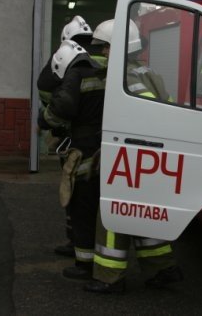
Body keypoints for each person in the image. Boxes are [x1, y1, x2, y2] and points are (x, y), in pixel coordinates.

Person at [83, 19, 183, 294]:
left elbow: (145, 113)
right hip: (149, 158)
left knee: (112, 217)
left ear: (120, 48)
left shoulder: (126, 77)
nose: (103, 54)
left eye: (106, 48)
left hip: (129, 156)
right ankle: (163, 269)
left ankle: (109, 277)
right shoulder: (148, 71)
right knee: (144, 215)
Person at [37, 36, 107, 280]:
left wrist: (43, 119)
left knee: (82, 207)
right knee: (101, 209)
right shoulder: (111, 70)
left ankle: (84, 264)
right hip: (108, 149)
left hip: (84, 150)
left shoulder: (77, 74)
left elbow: (62, 107)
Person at [37, 15, 94, 258]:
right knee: (83, 197)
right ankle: (78, 243)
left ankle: (78, 245)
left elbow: (50, 97)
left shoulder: (67, 67)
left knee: (77, 196)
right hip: (91, 139)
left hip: (74, 140)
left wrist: (47, 119)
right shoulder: (98, 64)